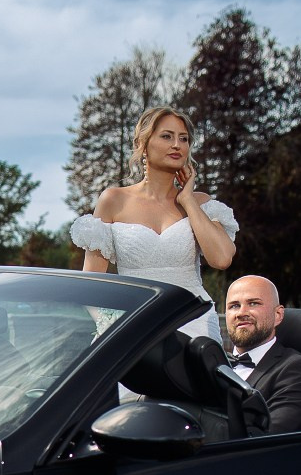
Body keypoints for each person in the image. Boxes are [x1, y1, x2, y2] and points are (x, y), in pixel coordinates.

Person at [69, 106, 238, 342]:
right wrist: (113, 328)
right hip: (133, 324)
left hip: (194, 321)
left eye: (184, 139)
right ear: (143, 144)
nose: (177, 145)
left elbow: (221, 259)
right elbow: (92, 286)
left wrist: (188, 201)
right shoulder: (113, 200)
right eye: (167, 136)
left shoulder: (201, 203)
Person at [224, 274, 301, 434]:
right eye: (234, 306)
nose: (241, 313)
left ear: (278, 315)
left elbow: (268, 437)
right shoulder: (214, 363)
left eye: (253, 303)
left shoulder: (297, 370)